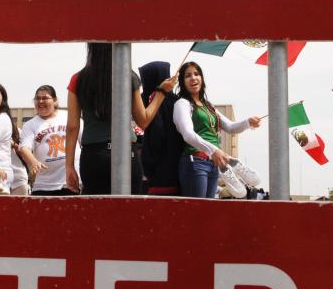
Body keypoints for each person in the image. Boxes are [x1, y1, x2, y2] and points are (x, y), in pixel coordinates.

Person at [64, 43, 175, 195]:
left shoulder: (78, 79)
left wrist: (69, 166)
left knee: (97, 212)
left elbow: (72, 127)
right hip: (126, 152)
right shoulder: (128, 76)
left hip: (93, 154)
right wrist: (161, 92)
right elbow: (143, 120)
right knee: (127, 212)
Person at [172, 61, 261, 198]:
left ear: (202, 78)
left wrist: (248, 122)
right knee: (197, 211)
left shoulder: (209, 106)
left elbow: (230, 127)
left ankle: (231, 165)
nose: (193, 78)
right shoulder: (182, 103)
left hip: (214, 163)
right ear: (182, 82)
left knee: (208, 211)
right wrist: (214, 150)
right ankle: (232, 164)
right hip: (195, 162)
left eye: (196, 74)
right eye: (188, 76)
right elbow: (188, 135)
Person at [20, 85, 79, 195]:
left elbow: (83, 141)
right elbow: (24, 148)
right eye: (37, 99)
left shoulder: (69, 116)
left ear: (55, 100)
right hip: (43, 185)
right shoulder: (30, 124)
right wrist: (33, 162)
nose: (41, 101)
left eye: (45, 98)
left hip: (69, 182)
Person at [138, 61, 184, 195]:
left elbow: (156, 136)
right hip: (178, 171)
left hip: (157, 174)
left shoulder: (152, 101)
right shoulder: (178, 101)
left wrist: (147, 163)